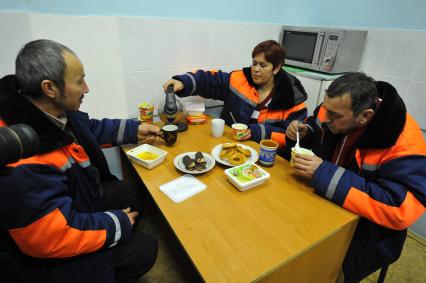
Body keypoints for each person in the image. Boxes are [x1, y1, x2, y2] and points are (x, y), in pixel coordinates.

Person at [0, 39, 160, 283]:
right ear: (50, 88)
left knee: (129, 191)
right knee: (143, 249)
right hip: (38, 258)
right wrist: (116, 224)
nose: (86, 88)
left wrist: (135, 130)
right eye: (79, 81)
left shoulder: (44, 109)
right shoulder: (22, 154)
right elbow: (49, 238)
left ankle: (108, 241)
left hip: (72, 199)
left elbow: (90, 129)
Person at [285, 72, 426, 282]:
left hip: (368, 234)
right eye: (325, 109)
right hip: (325, 206)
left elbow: (400, 210)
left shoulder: (404, 143)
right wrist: (305, 134)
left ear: (365, 116)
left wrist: (324, 172)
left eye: (333, 116)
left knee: (320, 270)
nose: (325, 118)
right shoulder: (337, 111)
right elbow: (319, 132)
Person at [163, 40, 308, 147]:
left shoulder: (292, 98)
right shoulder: (239, 79)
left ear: (276, 68)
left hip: (269, 160)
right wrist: (183, 83)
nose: (256, 69)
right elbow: (210, 80)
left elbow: (293, 138)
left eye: (263, 65)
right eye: (254, 63)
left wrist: (257, 132)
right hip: (228, 148)